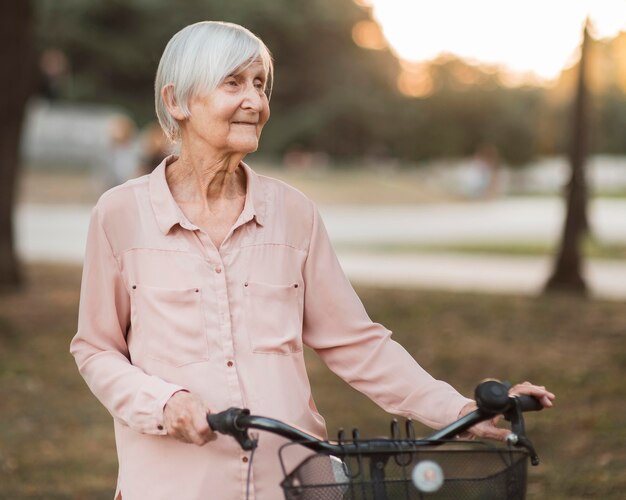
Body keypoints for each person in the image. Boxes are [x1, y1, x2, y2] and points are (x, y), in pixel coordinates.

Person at [70, 21, 555, 500]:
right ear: (176, 102)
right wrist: (163, 402)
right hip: (171, 486)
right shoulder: (119, 215)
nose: (255, 102)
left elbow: (357, 343)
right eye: (233, 83)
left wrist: (459, 411)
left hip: (292, 481)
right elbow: (96, 348)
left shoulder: (295, 214)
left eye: (260, 84)